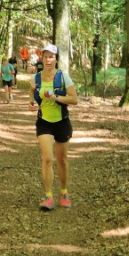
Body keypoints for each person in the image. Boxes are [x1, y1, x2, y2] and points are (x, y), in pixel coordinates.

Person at [28, 44, 78, 211]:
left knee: (62, 160)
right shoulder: (36, 78)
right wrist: (30, 103)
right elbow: (32, 91)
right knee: (47, 158)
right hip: (44, 122)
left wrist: (56, 97)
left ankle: (64, 192)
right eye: (45, 57)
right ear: (41, 58)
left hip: (62, 122)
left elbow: (74, 99)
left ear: (56, 59)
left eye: (51, 57)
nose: (48, 60)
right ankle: (48, 196)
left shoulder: (63, 77)